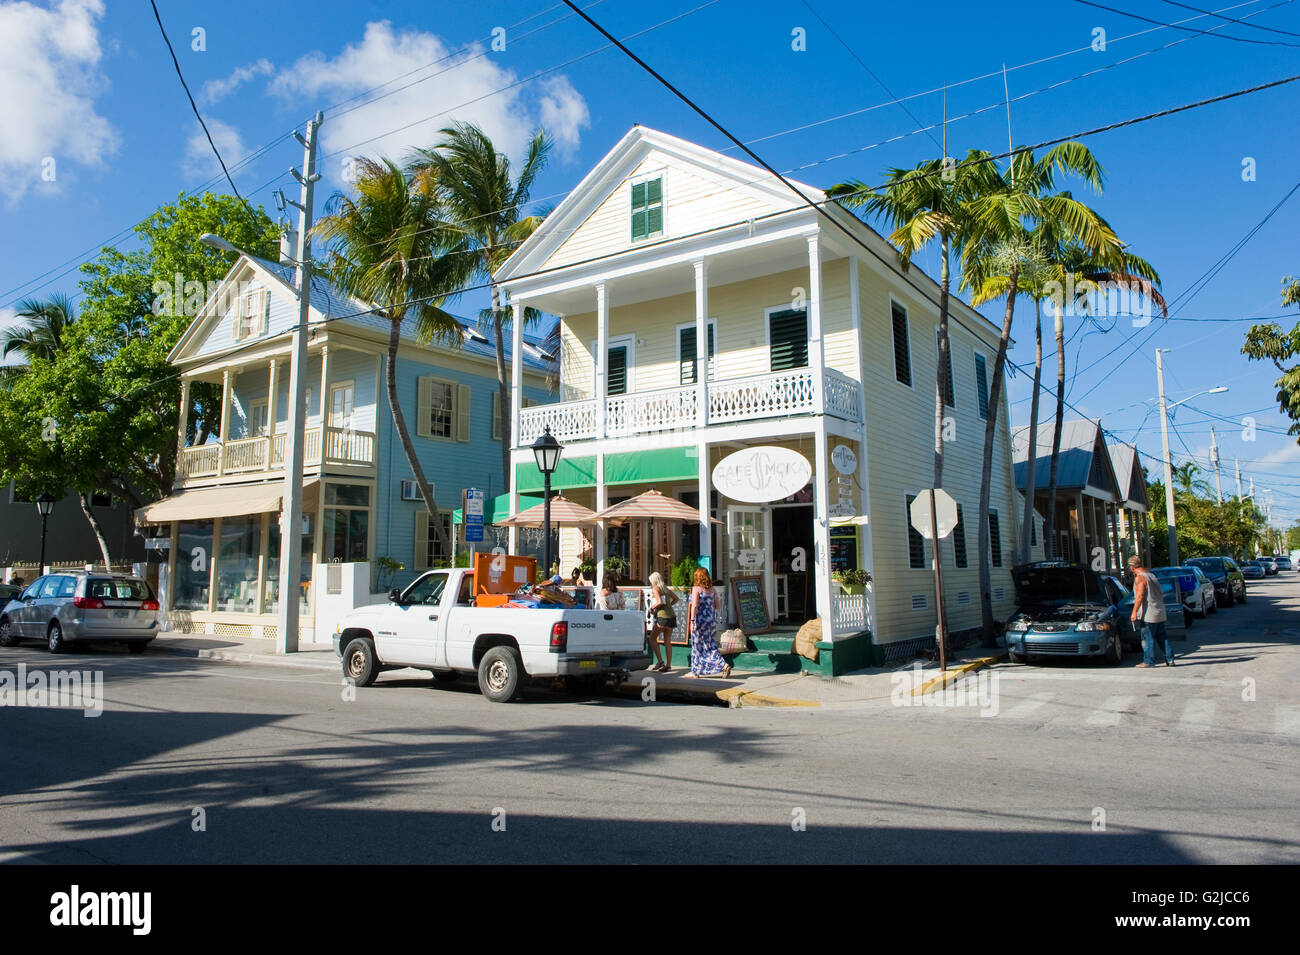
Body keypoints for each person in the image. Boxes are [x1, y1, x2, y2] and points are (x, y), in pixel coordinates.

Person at [685, 568, 730, 679]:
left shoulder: (696, 589)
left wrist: (691, 621)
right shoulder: (712, 590)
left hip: (699, 620)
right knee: (709, 644)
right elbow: (718, 606)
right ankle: (698, 670)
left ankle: (698, 671)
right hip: (710, 621)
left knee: (697, 646)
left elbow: (694, 606)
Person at [1129, 555, 1173, 667]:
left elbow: (1140, 596)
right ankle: (1170, 659)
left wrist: (1134, 612)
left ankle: (1148, 661)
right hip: (1160, 610)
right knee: (1162, 636)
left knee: (1147, 637)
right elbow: (1161, 593)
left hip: (1149, 613)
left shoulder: (1139, 578)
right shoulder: (1152, 576)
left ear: (1132, 567)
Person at [646, 571, 679, 672]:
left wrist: (651, 608)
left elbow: (659, 602)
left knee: (652, 638)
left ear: (654, 581)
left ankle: (660, 661)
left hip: (662, 617)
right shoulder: (666, 589)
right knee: (667, 641)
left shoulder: (656, 589)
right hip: (671, 616)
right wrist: (669, 606)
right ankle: (668, 666)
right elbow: (676, 599)